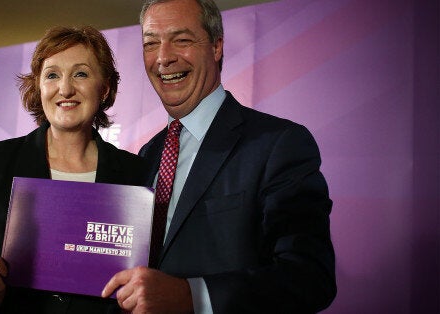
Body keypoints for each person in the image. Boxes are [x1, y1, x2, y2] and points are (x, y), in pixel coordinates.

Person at [101, 0, 337, 313]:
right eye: (151, 43)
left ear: (216, 47)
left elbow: (309, 277)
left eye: (182, 40)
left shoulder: (278, 144)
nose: (163, 57)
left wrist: (192, 296)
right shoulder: (148, 154)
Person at [0, 25, 147, 314]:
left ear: (105, 87)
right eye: (52, 75)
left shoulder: (136, 173)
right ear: (39, 87)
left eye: (81, 73)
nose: (65, 88)